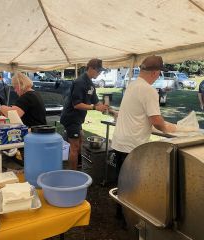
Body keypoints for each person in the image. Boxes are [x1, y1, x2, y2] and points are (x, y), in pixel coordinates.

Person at [111, 55, 176, 221]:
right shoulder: (149, 90)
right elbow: (156, 120)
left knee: (122, 179)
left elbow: (143, 115)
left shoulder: (132, 85)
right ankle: (130, 218)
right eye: (159, 73)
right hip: (133, 144)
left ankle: (120, 214)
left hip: (120, 141)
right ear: (155, 73)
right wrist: (171, 130)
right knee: (132, 184)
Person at [60, 59, 109, 170]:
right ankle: (73, 174)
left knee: (81, 140)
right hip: (71, 118)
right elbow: (76, 105)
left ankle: (78, 166)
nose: (100, 73)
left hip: (78, 119)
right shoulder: (79, 82)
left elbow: (96, 101)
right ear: (91, 68)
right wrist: (94, 107)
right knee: (75, 146)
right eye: (98, 71)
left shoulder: (90, 84)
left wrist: (108, 109)